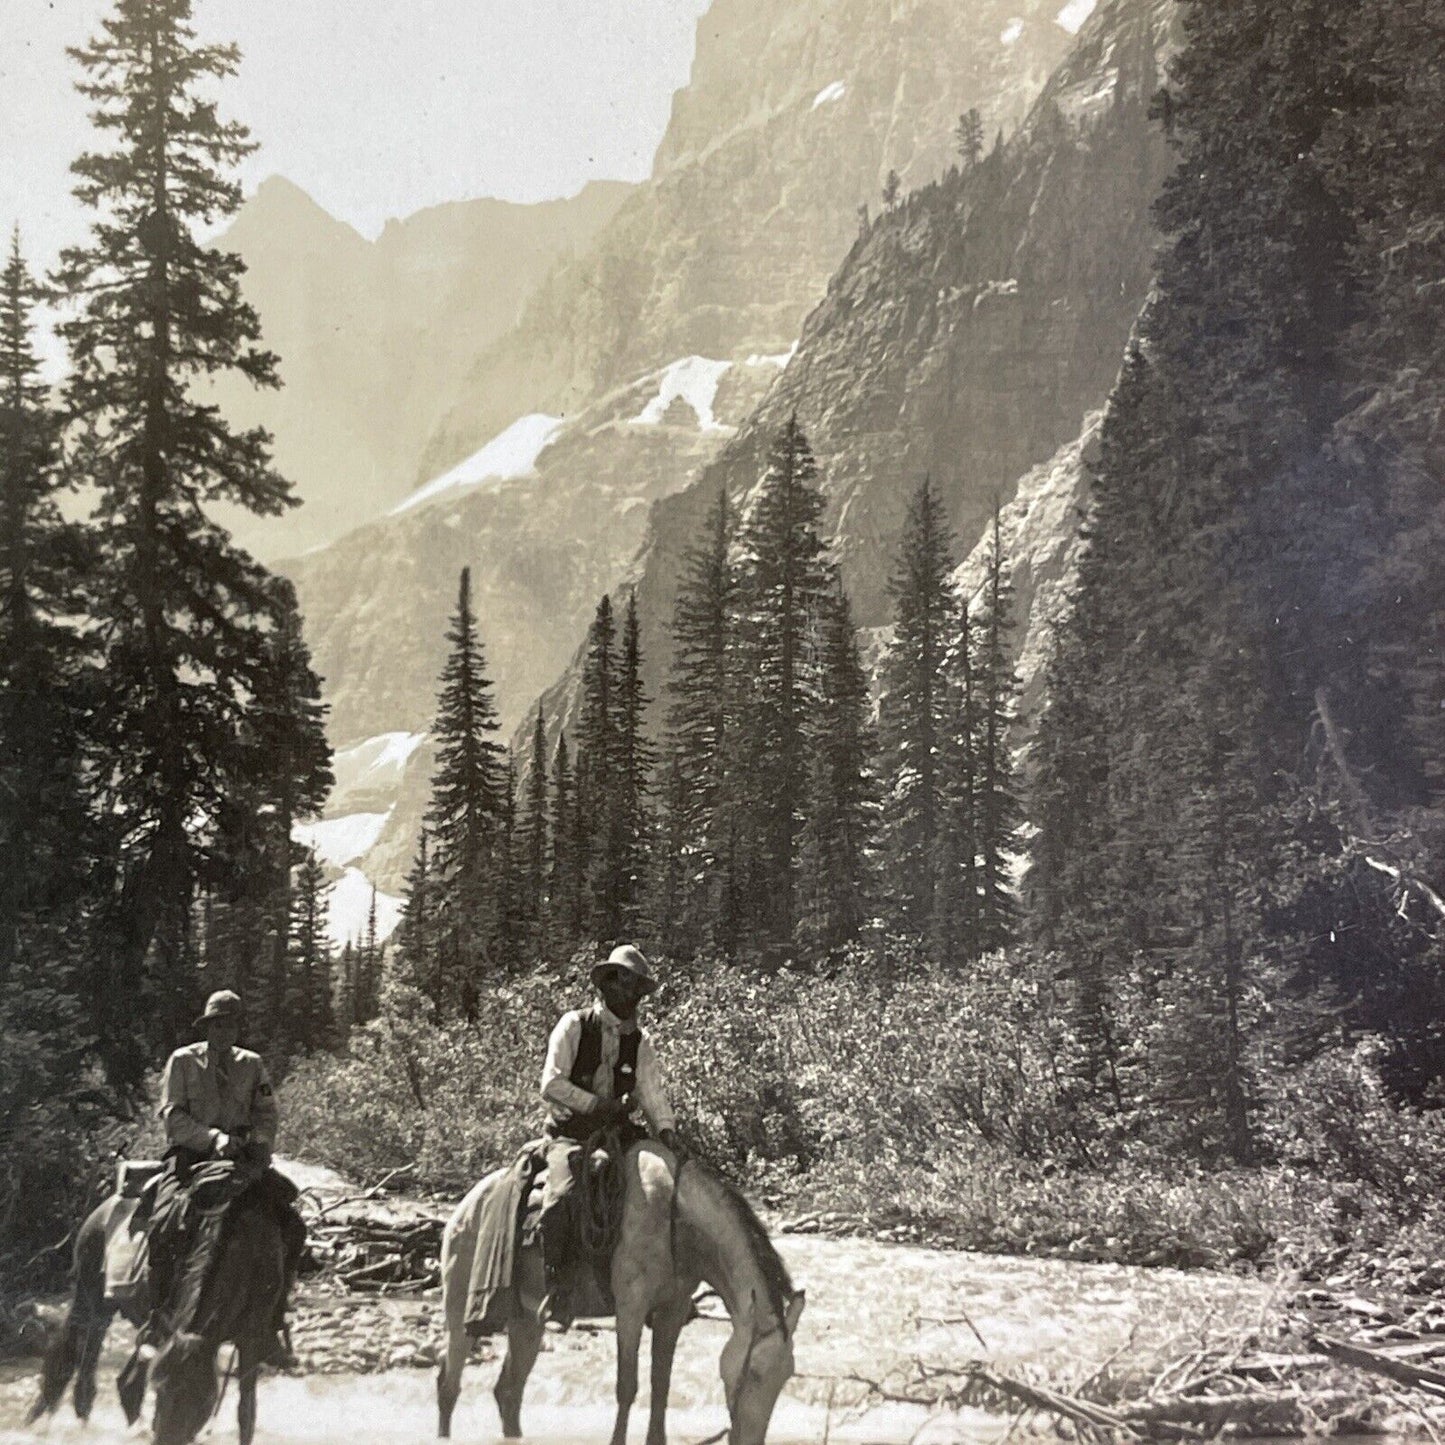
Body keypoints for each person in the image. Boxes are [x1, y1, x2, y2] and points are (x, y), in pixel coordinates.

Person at [144, 990, 304, 1367]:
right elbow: (172, 1116)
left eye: (230, 1024)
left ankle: (271, 1319)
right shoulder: (183, 1062)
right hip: (191, 1156)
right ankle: (157, 1316)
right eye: (217, 1024)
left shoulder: (252, 1064)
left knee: (291, 1226)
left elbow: (266, 1112)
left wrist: (260, 1143)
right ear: (207, 1026)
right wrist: (212, 1138)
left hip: (241, 1160)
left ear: (237, 1027)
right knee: (164, 1223)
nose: (224, 1031)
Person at [536, 944, 677, 1326]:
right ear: (608, 986)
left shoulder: (640, 1042)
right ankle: (558, 1290)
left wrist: (666, 1131)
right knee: (561, 1197)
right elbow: (551, 1083)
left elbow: (651, 1092)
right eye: (625, 985)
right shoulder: (574, 1025)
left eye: (638, 989)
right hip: (572, 1133)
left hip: (618, 1133)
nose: (632, 995)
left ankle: (665, 1289)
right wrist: (596, 1105)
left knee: (664, 1189)